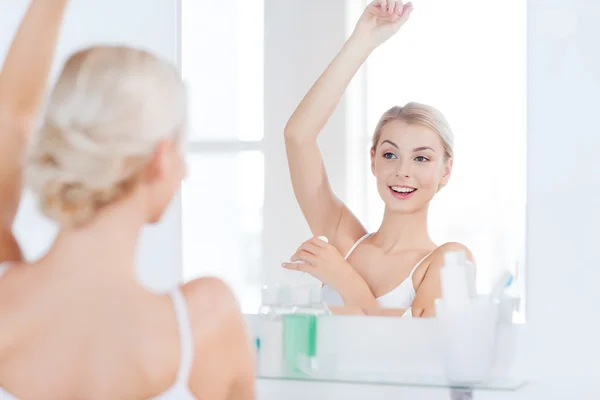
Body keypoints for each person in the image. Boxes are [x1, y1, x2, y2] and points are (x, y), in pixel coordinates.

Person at [0, 1, 255, 399]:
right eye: (180, 150)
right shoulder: (205, 323)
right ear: (159, 158)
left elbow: (13, 116)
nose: (184, 170)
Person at [281, 0, 473, 318]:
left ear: (446, 170)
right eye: (390, 154)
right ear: (373, 161)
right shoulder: (344, 240)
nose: (402, 171)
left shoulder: (447, 261)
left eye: (422, 159)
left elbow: (412, 355)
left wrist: (343, 278)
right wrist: (363, 41)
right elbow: (297, 137)